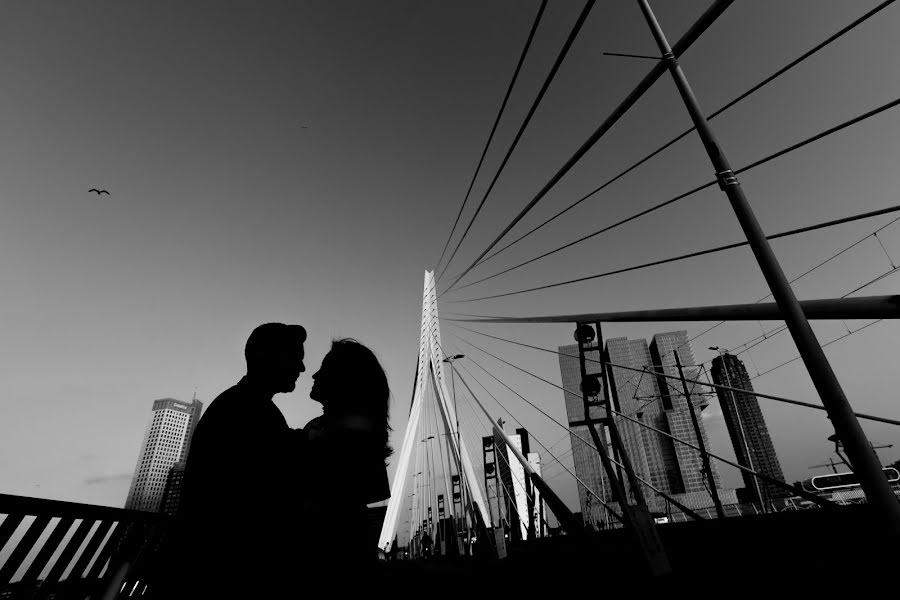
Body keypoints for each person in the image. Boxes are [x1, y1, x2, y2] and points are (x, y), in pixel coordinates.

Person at [159, 322, 306, 598]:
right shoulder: (248, 411)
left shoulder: (244, 405)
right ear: (264, 355)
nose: (301, 368)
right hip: (222, 573)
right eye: (294, 357)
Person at [299, 338, 392, 572]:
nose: (314, 375)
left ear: (343, 379)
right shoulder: (349, 429)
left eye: (324, 369)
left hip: (330, 558)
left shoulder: (349, 435)